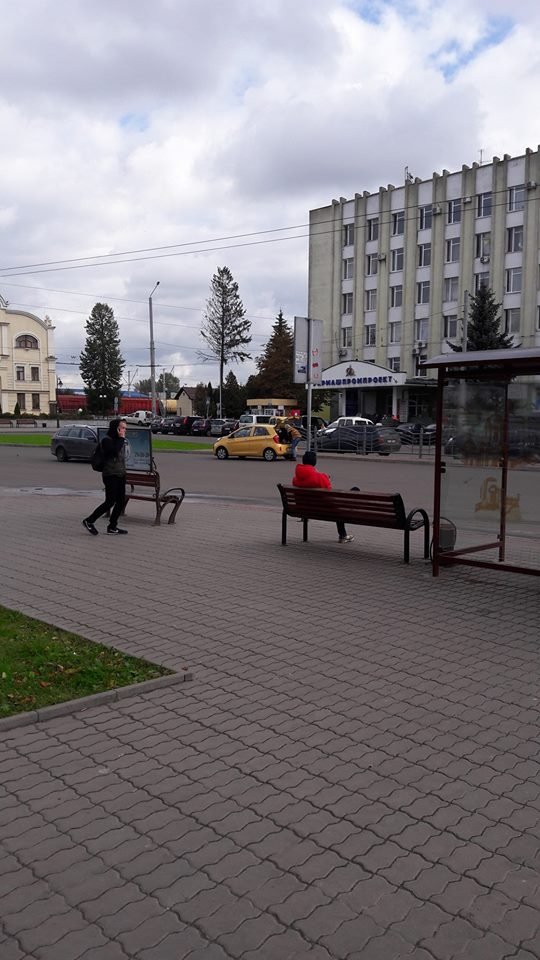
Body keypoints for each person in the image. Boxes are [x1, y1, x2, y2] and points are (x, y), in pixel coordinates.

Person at [292, 450, 354, 543]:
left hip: (304, 509)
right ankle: (343, 535)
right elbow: (329, 494)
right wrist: (326, 479)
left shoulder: (295, 479)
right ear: (314, 462)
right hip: (325, 510)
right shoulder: (320, 477)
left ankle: (343, 536)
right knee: (353, 491)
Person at [82, 418, 129, 536]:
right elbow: (114, 452)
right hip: (110, 474)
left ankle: (112, 526)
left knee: (120, 501)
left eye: (125, 428)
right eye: (122, 428)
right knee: (110, 501)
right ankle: (89, 521)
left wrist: (121, 439)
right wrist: (121, 438)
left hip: (120, 474)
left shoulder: (120, 441)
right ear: (116, 429)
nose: (124, 430)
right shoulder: (107, 441)